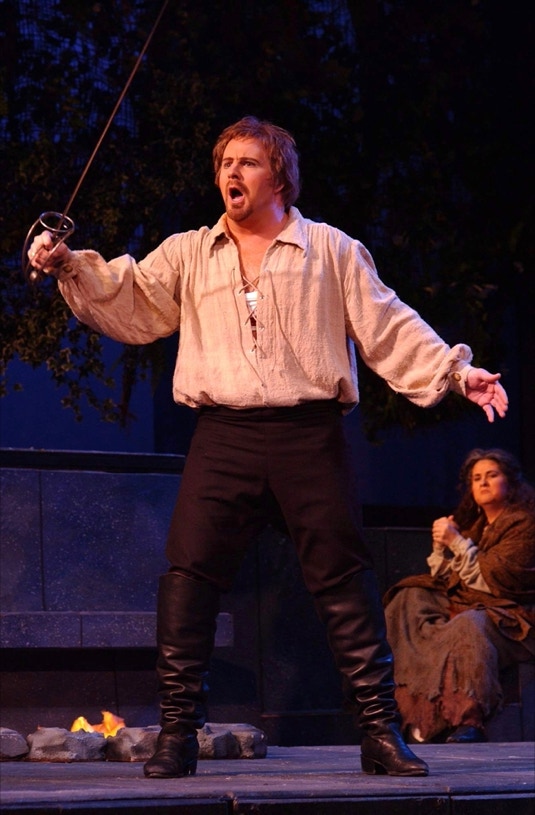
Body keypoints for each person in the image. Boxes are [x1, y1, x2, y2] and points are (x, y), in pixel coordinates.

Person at [28, 116, 509, 779]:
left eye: (248, 162)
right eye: (225, 162)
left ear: (279, 177)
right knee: (188, 576)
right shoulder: (191, 251)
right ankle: (178, 733)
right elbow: (127, 294)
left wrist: (456, 371)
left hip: (307, 434)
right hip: (223, 434)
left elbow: (388, 323)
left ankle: (379, 732)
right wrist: (69, 265)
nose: (232, 172)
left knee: (342, 578)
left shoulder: (330, 249)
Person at [383, 448, 535, 744]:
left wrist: (456, 541)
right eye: (476, 478)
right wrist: (442, 547)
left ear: (511, 482)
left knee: (469, 623)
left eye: (492, 475)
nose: (483, 483)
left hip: (515, 618)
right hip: (473, 603)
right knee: (409, 598)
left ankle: (468, 719)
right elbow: (449, 579)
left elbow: (499, 582)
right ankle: (407, 711)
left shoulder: (525, 523)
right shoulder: (475, 526)